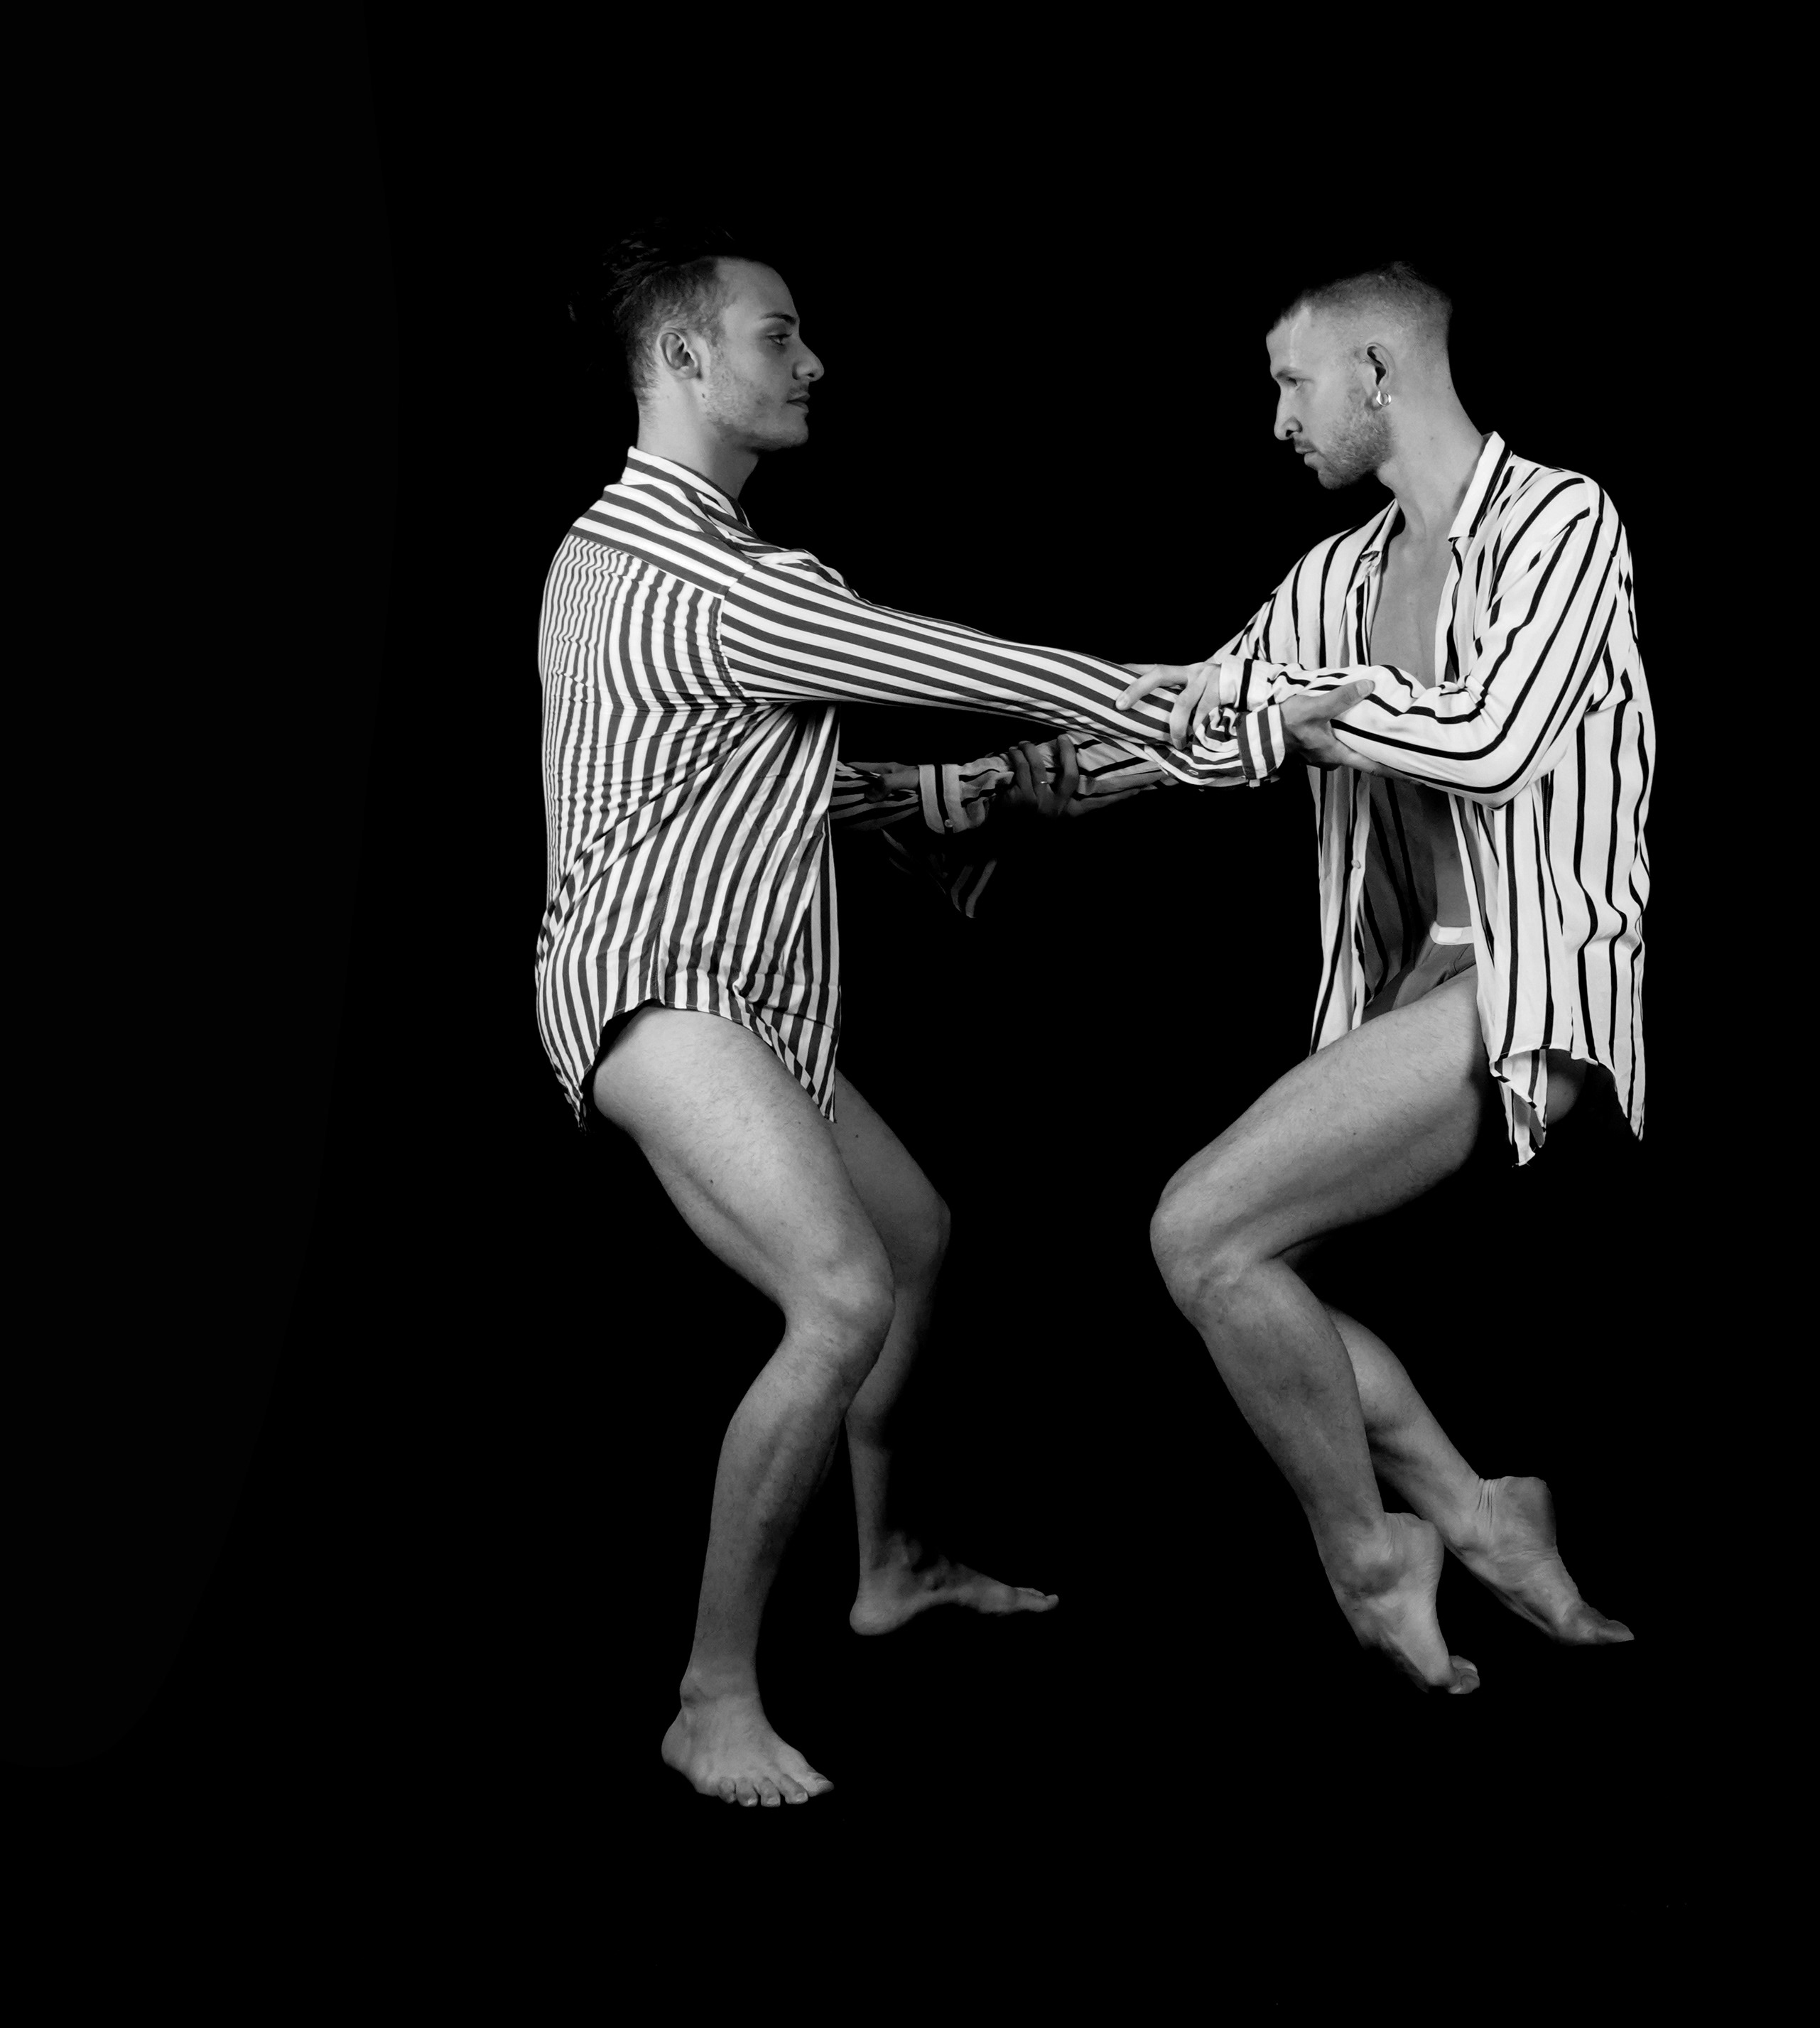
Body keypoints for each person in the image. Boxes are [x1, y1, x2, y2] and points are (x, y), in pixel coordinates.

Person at [537, 225, 1353, 1806]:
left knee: (911, 1241)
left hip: (732, 992)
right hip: (658, 989)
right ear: (685, 359)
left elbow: (744, 780)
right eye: (780, 335)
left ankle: (890, 1568)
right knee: (838, 1294)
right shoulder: (708, 576)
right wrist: (1222, 702)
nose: (814, 362)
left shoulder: (607, 553)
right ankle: (711, 1695)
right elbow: (946, 660)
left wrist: (981, 797)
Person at [1116, 263, 1654, 1694]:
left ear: (1375, 370)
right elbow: (1198, 716)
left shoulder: (1562, 519)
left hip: (1530, 986)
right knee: (1241, 1274)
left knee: (1200, 1227)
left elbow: (1491, 738)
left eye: (1290, 382)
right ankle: (1479, 1515)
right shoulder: (1338, 577)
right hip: (1410, 992)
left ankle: (1371, 1554)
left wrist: (1299, 708)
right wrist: (957, 794)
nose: (1278, 419)